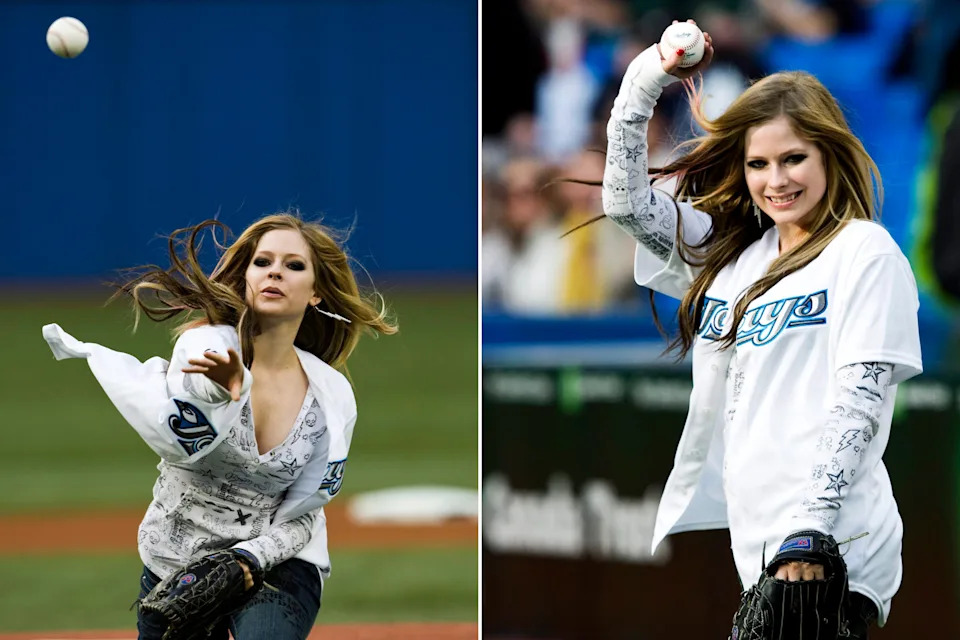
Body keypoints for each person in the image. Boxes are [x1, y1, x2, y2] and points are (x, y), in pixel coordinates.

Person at [599, 20, 922, 638]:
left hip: (832, 545)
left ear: (830, 153)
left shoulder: (864, 251)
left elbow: (860, 400)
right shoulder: (734, 254)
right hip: (764, 544)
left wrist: (812, 528)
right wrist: (649, 76)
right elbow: (624, 202)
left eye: (794, 158)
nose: (777, 180)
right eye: (759, 164)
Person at [42, 212, 397, 639]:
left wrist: (248, 559)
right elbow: (189, 404)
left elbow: (304, 516)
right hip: (177, 564)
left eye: (294, 265)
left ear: (316, 292)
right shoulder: (206, 345)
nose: (275, 273)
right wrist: (226, 387)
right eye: (262, 262)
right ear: (245, 276)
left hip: (276, 563)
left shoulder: (332, 396)